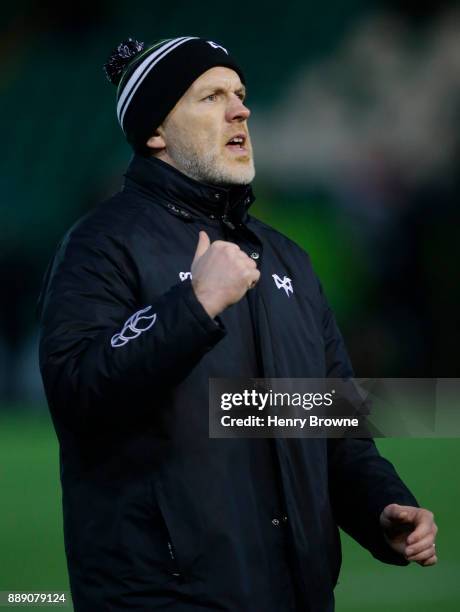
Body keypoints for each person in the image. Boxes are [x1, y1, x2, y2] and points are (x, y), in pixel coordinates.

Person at [37, 36, 438, 612]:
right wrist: (192, 305)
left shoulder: (288, 259)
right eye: (211, 96)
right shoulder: (100, 245)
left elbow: (333, 421)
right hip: (164, 596)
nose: (240, 109)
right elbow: (78, 390)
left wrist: (382, 507)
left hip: (295, 593)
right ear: (155, 132)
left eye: (242, 94)